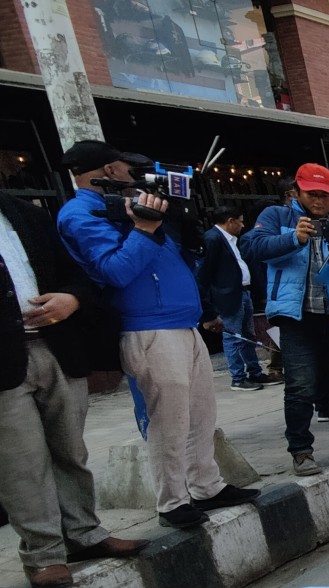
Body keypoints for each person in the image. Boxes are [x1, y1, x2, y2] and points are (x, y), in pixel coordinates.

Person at [57, 140, 257, 528]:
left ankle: (206, 484)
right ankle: (172, 501)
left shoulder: (134, 203)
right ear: (110, 169)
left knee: (201, 412)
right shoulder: (80, 214)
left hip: (182, 321)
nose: (132, 173)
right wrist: (145, 227)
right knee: (169, 420)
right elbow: (114, 271)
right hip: (148, 326)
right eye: (125, 167)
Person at [1, 189, 147, 588]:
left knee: (71, 449)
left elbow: (74, 272)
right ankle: (44, 555)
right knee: (22, 464)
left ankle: (84, 535)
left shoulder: (25, 214)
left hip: (55, 345)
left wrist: (72, 299)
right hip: (4, 360)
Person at [240, 163, 329, 477]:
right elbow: (251, 247)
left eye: (325, 195)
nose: (319, 201)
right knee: (301, 387)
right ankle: (301, 451)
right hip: (296, 317)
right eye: (312, 194)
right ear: (297, 193)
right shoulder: (278, 217)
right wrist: (294, 239)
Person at [198, 206, 277, 392]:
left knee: (248, 335)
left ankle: (255, 372)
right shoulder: (213, 239)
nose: (242, 225)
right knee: (233, 336)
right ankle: (238, 377)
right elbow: (204, 273)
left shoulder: (232, 240)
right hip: (227, 295)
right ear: (230, 221)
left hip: (242, 292)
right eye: (240, 221)